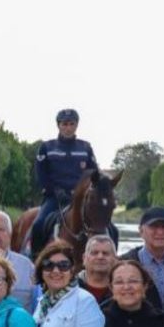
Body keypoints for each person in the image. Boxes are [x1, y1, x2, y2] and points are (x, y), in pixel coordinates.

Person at [29, 108, 99, 256]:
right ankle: (34, 258)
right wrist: (54, 191)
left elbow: (94, 173)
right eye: (64, 124)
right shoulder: (46, 147)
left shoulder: (86, 148)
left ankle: (112, 261)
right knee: (38, 224)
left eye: (71, 124)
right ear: (58, 125)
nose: (68, 128)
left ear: (76, 125)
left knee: (110, 228)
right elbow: (41, 174)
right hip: (55, 198)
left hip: (81, 199)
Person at [75, 234, 116, 304]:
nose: (100, 257)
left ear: (115, 259)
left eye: (105, 253)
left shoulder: (124, 290)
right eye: (94, 253)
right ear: (84, 258)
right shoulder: (69, 287)